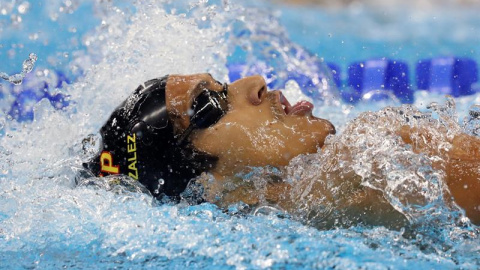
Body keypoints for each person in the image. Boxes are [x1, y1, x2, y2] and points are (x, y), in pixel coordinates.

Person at [84, 73, 480, 228]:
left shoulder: (371, 160)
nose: (253, 81)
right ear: (203, 185)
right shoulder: (378, 158)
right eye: (209, 104)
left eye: (222, 84)